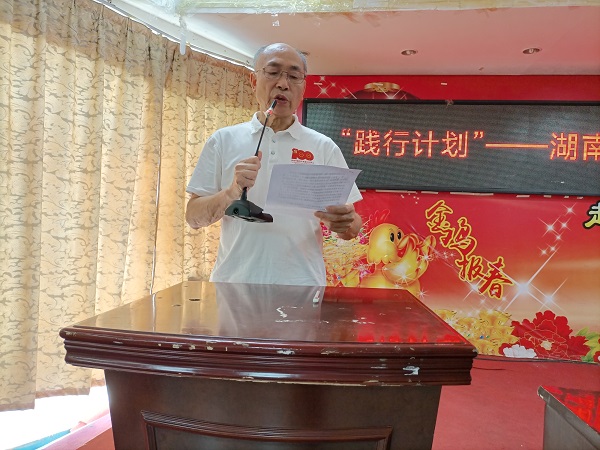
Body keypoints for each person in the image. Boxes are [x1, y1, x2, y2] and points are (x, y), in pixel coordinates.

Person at [185, 42, 362, 286]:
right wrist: (231, 192)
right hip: (234, 285)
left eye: (294, 76)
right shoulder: (223, 140)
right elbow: (194, 218)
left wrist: (344, 223)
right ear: (253, 80)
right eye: (273, 72)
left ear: (303, 87)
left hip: (302, 287)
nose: (283, 83)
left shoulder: (324, 147)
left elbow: (352, 227)